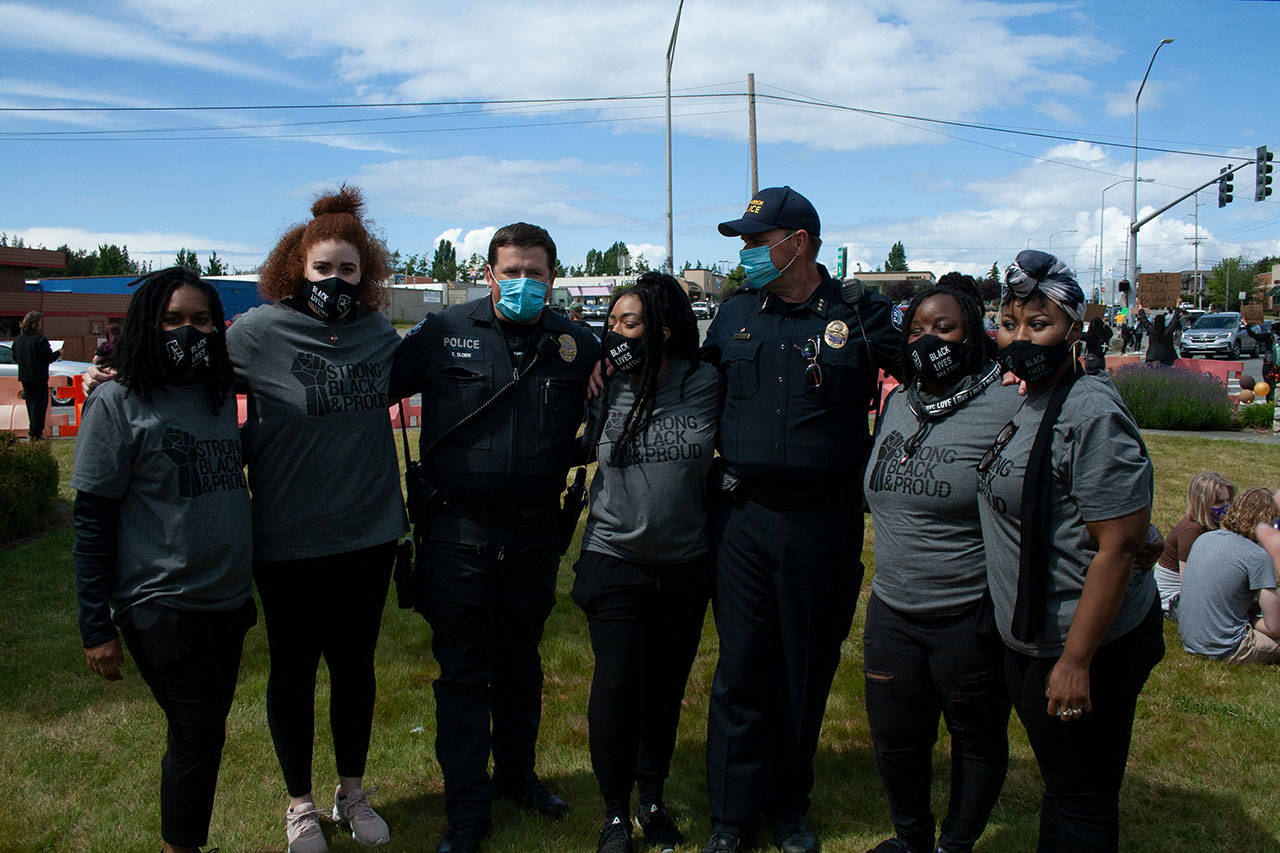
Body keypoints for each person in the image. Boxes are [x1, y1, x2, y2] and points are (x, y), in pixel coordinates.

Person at [390, 222, 600, 853]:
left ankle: (516, 778)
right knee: (462, 675)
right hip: (458, 531)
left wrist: (605, 374)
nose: (522, 283)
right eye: (510, 272)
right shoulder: (443, 332)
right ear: (488, 275)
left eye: (535, 272)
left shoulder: (576, 343)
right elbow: (369, 383)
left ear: (553, 277)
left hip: (535, 533)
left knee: (522, 666)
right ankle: (466, 808)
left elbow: (618, 400)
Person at [700, 186, 898, 853]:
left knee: (804, 669)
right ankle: (731, 815)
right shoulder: (731, 315)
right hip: (744, 518)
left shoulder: (860, 316)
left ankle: (790, 807)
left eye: (757, 241)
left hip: (823, 522)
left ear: (798, 244)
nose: (748, 253)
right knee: (742, 668)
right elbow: (692, 393)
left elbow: (936, 372)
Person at [230, 187, 404, 852]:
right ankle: (300, 802)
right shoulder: (256, 333)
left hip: (367, 532)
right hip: (288, 536)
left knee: (355, 667)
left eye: (349, 270)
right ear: (295, 267)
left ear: (367, 275)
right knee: (294, 669)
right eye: (324, 268)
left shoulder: (377, 333)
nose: (336, 280)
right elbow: (185, 376)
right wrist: (113, 377)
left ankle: (351, 790)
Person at [976, 250, 1163, 852]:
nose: (1021, 337)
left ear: (1074, 330)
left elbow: (1118, 548)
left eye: (1039, 324)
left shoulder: (1089, 411)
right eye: (1010, 323)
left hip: (1084, 644)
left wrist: (1076, 662)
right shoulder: (1030, 399)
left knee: (1082, 798)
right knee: (1062, 787)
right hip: (1033, 637)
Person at [72, 267, 256, 853]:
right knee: (196, 732)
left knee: (205, 733)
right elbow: (93, 520)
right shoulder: (117, 404)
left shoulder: (218, 395)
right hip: (161, 602)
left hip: (228, 601)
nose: (188, 330)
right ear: (147, 326)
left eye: (200, 320)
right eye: (172, 319)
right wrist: (95, 624)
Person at [861, 276, 1018, 853]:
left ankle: (957, 843)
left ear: (972, 334)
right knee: (895, 738)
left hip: (967, 613)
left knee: (975, 737)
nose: (929, 340)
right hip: (893, 609)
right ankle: (911, 839)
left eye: (944, 328)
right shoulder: (900, 401)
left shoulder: (1008, 402)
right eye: (918, 330)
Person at [572, 273, 721, 853]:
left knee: (664, 687)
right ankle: (614, 814)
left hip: (685, 564)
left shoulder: (707, 381)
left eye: (626, 323)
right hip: (615, 558)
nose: (614, 334)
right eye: (610, 323)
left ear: (662, 329)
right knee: (616, 684)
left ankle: (652, 798)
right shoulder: (605, 383)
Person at [1178, 488, 1280, 664]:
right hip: (1225, 646)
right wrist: (1254, 620)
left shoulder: (1205, 538)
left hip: (1190, 638)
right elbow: (1274, 628)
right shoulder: (1257, 556)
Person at [1154, 472, 1235, 620]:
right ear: (1202, 502)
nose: (1226, 507)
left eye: (1228, 501)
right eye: (1219, 502)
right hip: (1173, 598)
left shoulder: (1211, 523)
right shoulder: (1191, 531)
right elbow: (1189, 583)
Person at [13, 310, 60, 440]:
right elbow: (48, 357)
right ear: (35, 324)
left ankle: (34, 430)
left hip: (25, 377)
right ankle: (35, 433)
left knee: (31, 405)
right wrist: (58, 353)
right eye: (39, 322)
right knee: (40, 406)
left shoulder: (18, 340)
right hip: (38, 377)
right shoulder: (40, 339)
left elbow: (15, 357)